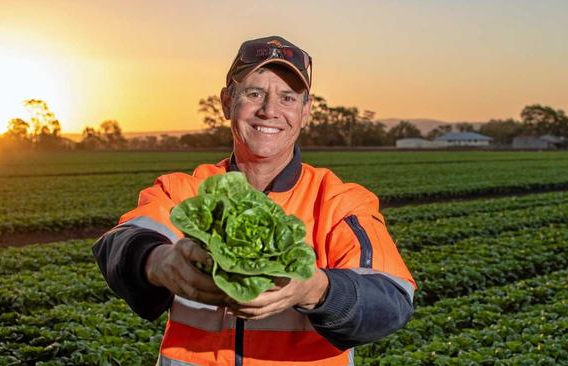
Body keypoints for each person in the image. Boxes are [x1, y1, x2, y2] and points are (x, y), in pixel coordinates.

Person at [93, 35, 415, 366]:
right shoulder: (185, 191)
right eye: (254, 93)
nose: (269, 111)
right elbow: (119, 243)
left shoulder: (339, 202)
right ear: (227, 102)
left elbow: (391, 300)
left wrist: (313, 288)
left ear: (306, 112)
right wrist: (158, 262)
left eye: (288, 98)